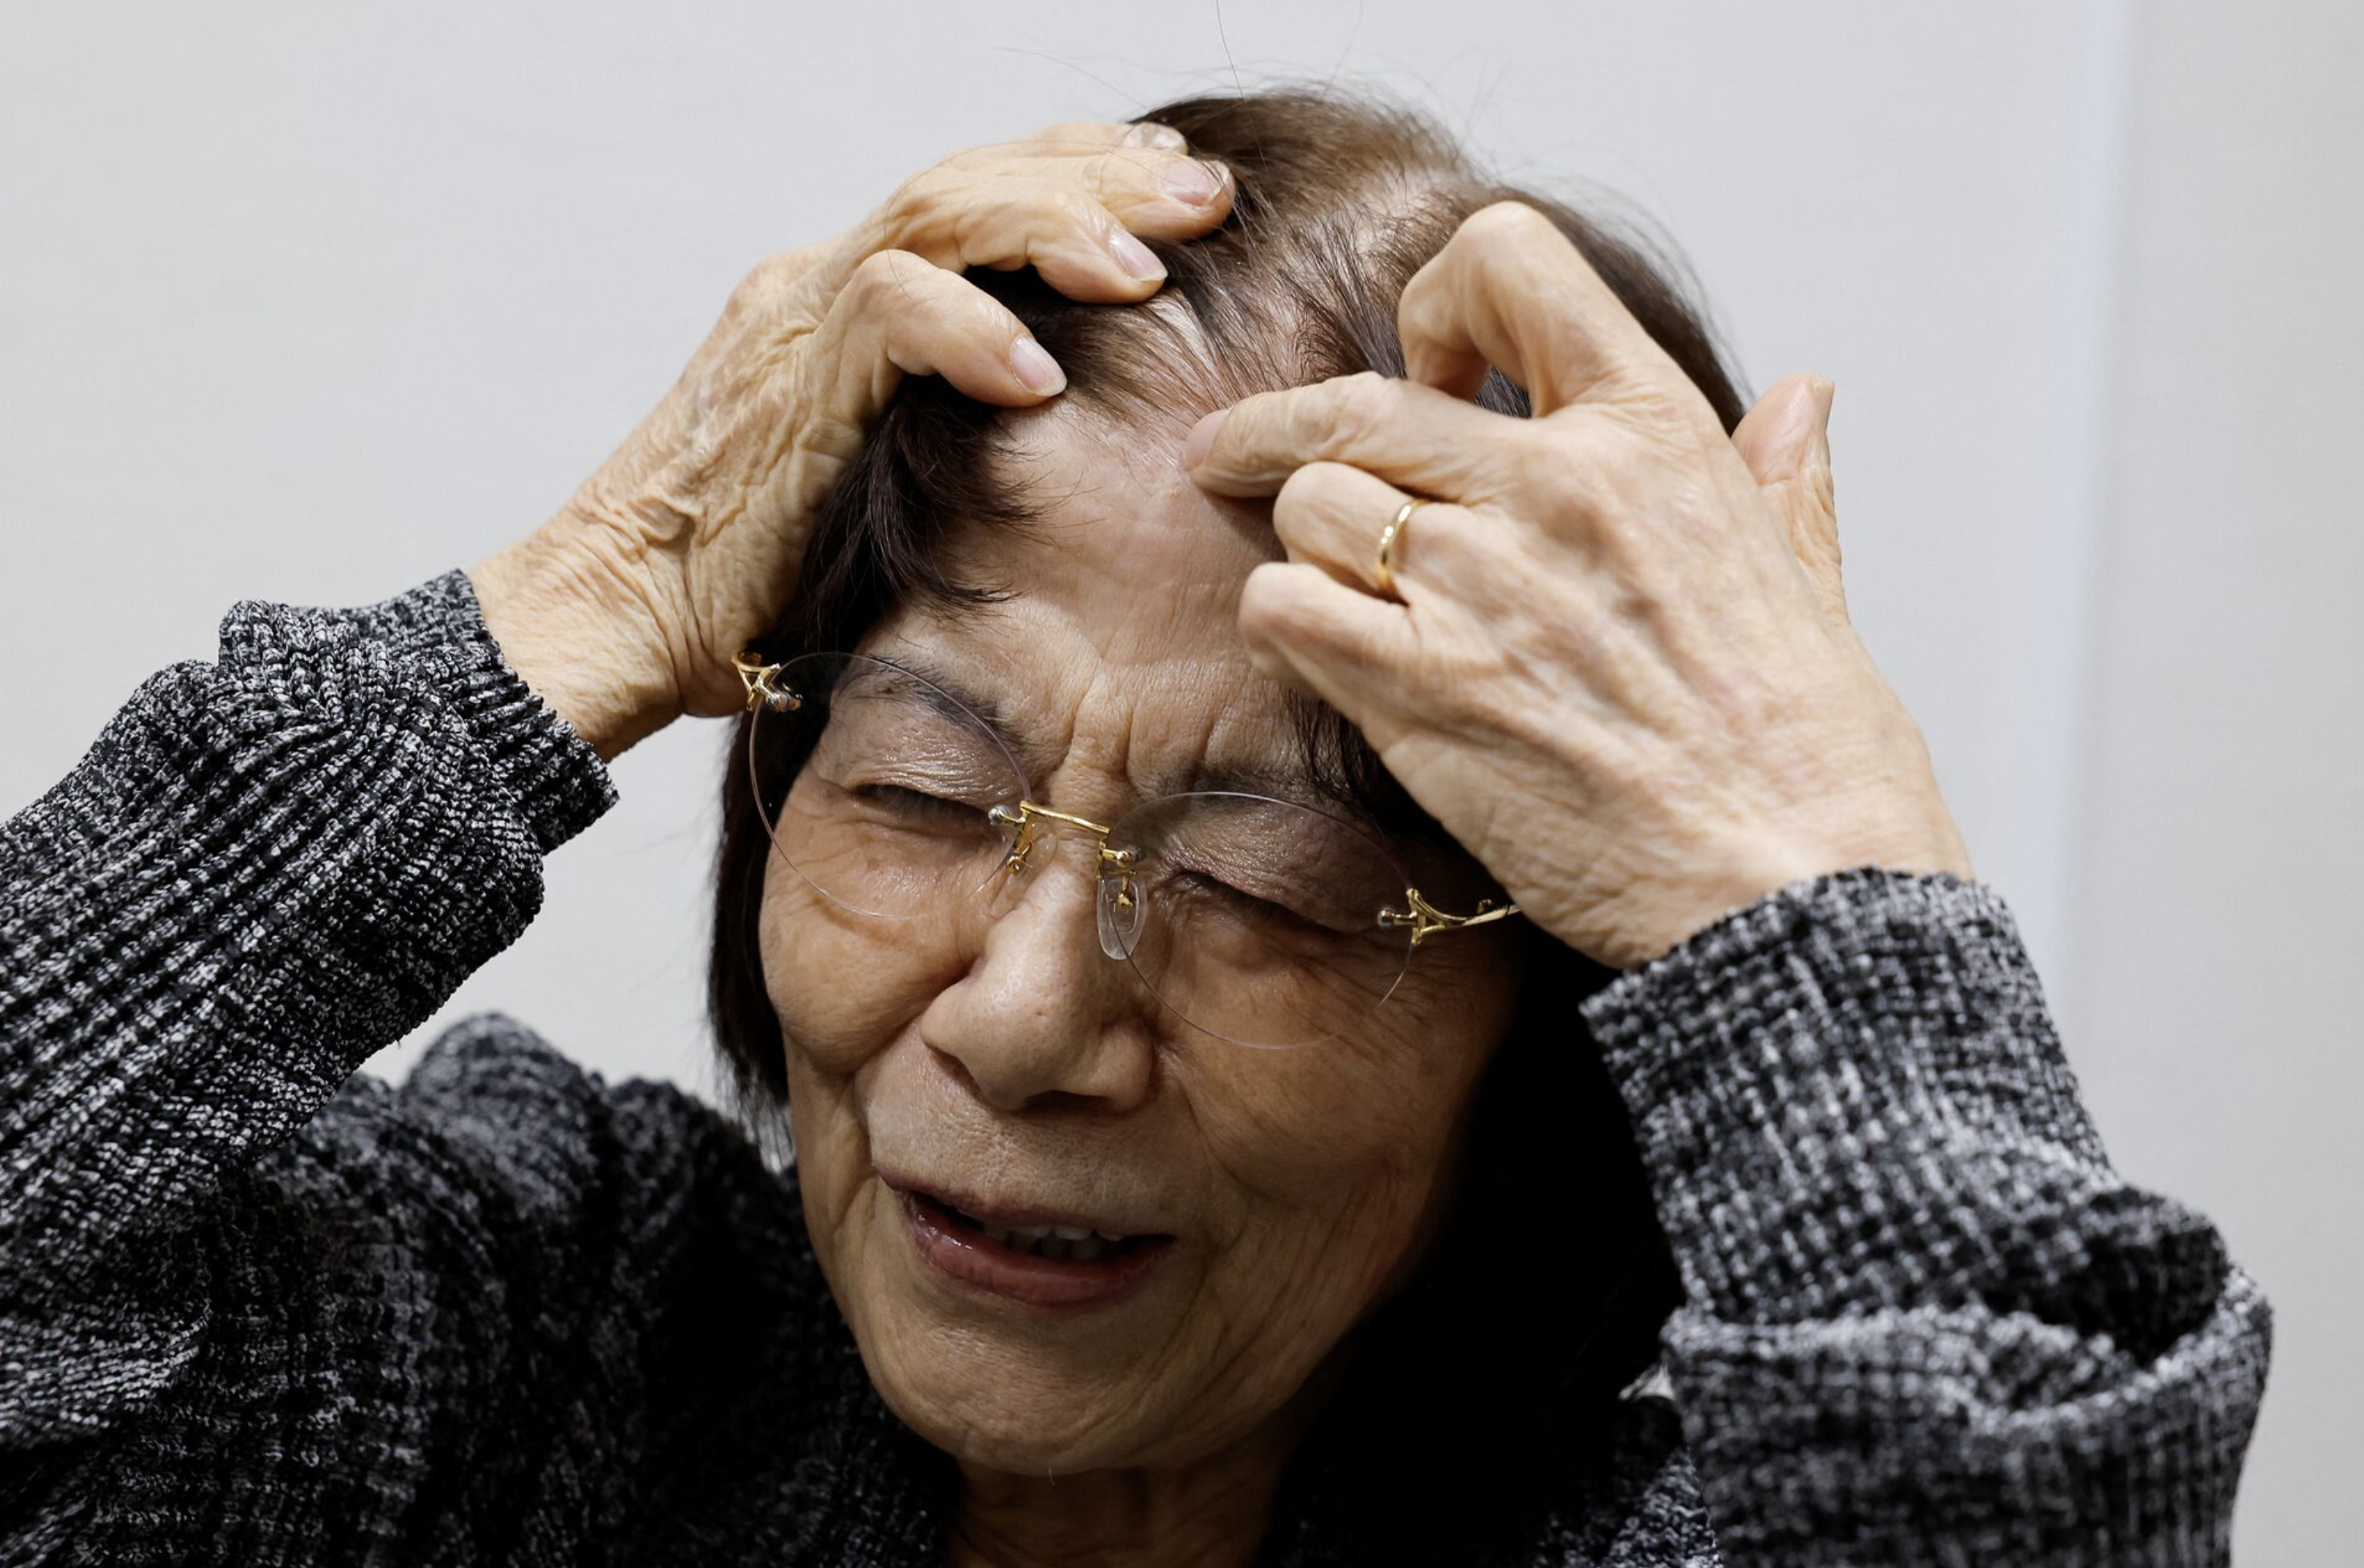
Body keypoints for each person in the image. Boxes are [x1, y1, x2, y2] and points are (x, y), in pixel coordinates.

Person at [0, 89, 2268, 1566]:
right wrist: (577, 602)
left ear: (1549, 1003)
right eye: (918, 786)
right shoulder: (557, 1353)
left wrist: (1799, 877)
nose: (1020, 1015)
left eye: (1259, 879)